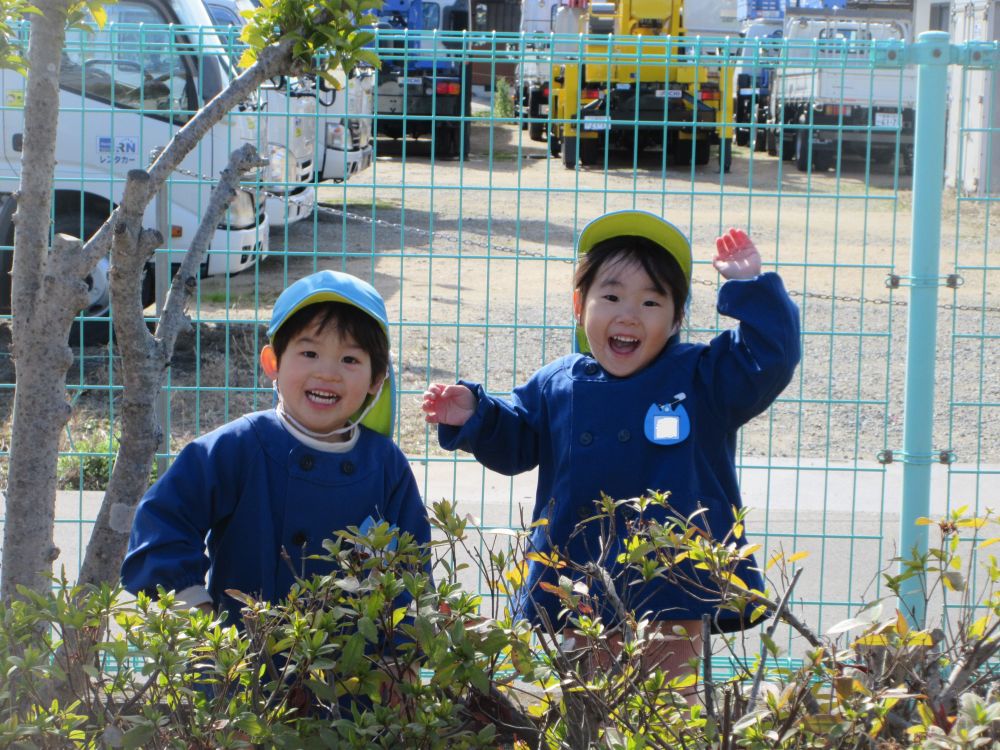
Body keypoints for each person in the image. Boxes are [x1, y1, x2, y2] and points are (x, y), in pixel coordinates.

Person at [422, 210, 801, 678]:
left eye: (650, 302)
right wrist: (477, 415)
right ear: (580, 306)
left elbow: (769, 360)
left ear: (677, 317)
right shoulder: (560, 382)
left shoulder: (702, 378)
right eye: (611, 295)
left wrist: (751, 288)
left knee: (668, 704)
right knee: (588, 697)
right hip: (580, 573)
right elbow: (517, 439)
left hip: (673, 581)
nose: (627, 314)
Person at [122, 270, 431, 628]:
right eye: (310, 352)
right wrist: (194, 606)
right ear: (273, 363)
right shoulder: (238, 447)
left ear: (376, 380)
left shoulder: (385, 465)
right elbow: (163, 519)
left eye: (350, 360)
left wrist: (401, 655)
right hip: (243, 666)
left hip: (356, 672)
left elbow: (412, 568)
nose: (328, 373)